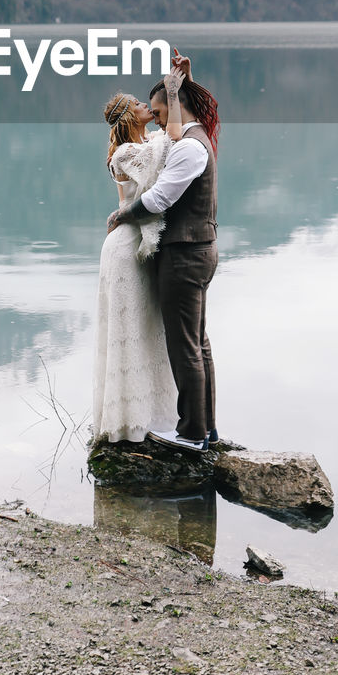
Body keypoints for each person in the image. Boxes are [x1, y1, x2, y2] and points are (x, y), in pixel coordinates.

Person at [106, 53, 220, 453]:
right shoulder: (191, 138)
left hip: (186, 254)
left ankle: (191, 434)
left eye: (157, 110)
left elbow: (158, 198)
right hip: (197, 249)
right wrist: (185, 82)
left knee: (185, 344)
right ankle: (206, 429)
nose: (155, 118)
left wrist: (124, 214)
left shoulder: (189, 147)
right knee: (197, 342)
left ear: (174, 106)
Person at [92, 74, 185, 443]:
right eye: (139, 105)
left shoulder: (149, 142)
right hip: (125, 249)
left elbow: (172, 137)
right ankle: (127, 424)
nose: (148, 106)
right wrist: (173, 95)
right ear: (129, 117)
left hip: (140, 246)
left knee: (147, 328)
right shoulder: (125, 154)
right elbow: (174, 140)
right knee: (128, 330)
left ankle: (152, 418)